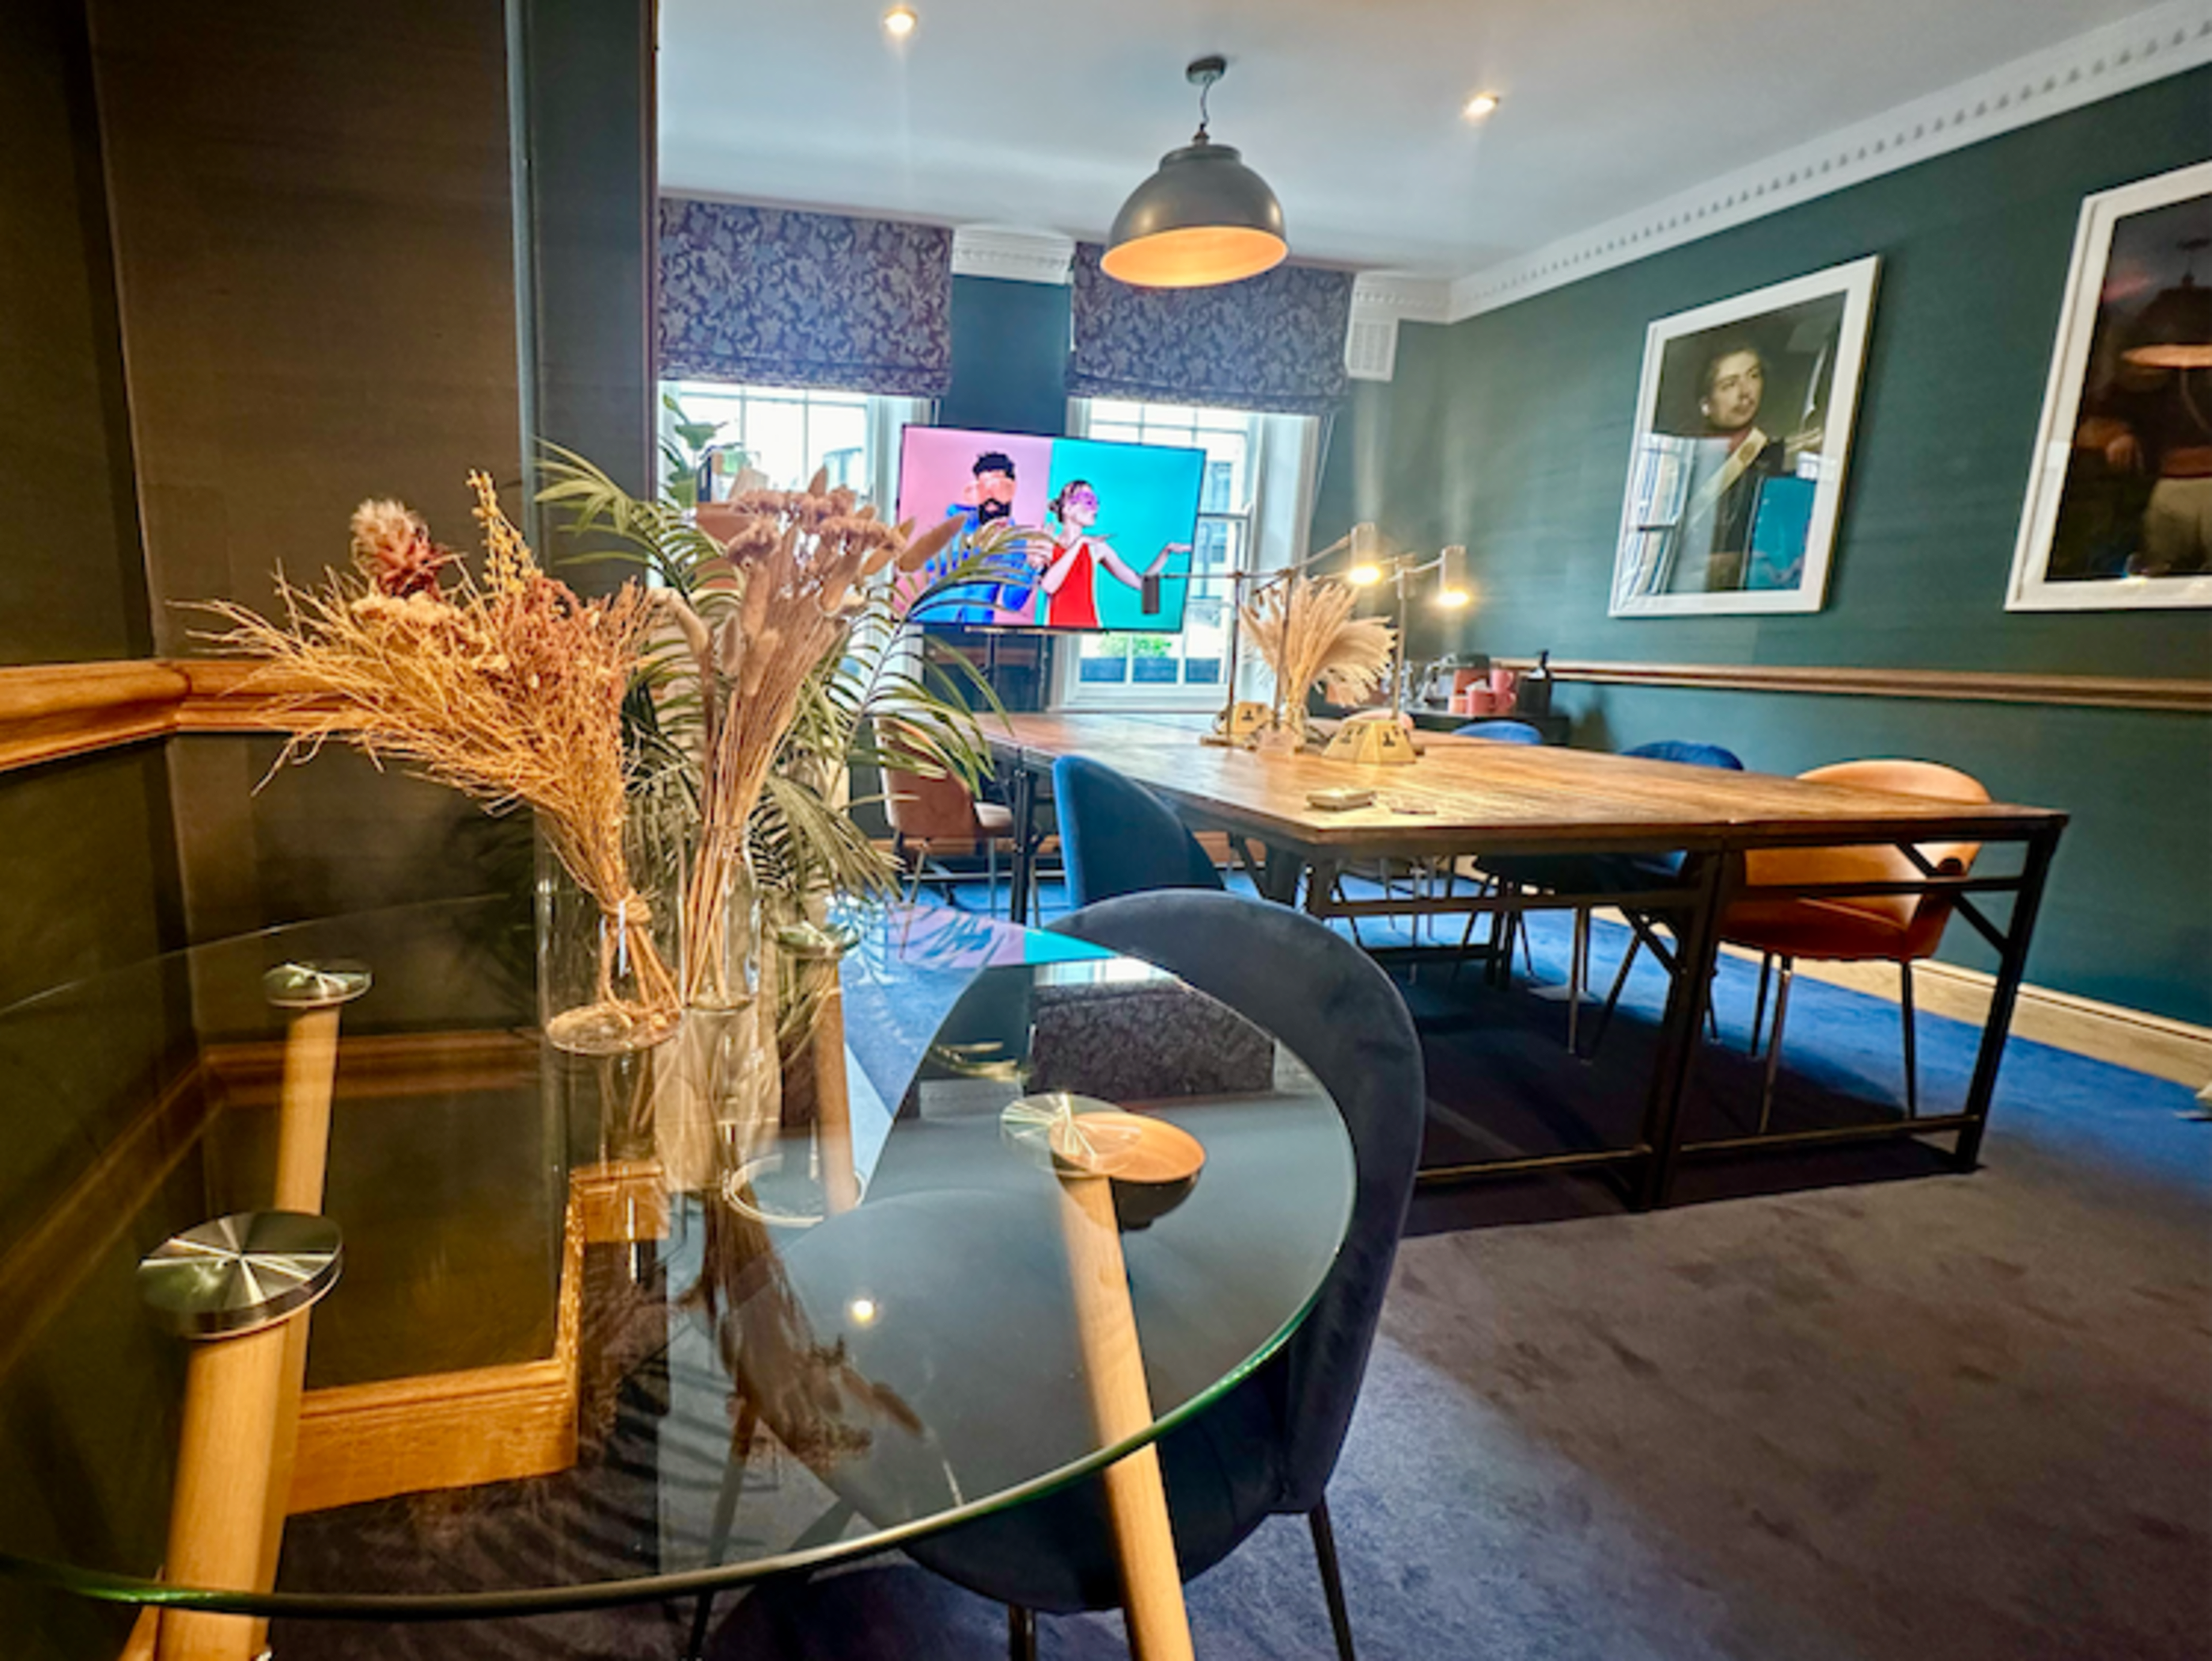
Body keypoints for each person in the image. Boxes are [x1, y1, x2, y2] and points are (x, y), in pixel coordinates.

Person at [1033, 480, 1188, 630]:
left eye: (1095, 501)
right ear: (1067, 508)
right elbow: (1049, 586)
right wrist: (1079, 543)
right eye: (1087, 500)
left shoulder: (1097, 548)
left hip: (1091, 630)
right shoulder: (1048, 544)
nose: (1095, 508)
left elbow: (1142, 585)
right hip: (1055, 634)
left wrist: (1166, 552)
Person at [915, 451, 1038, 625]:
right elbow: (928, 563)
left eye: (997, 488)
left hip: (976, 632)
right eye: (984, 488)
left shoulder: (1017, 541)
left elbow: (1012, 603)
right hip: (929, 620)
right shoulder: (957, 517)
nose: (990, 497)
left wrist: (1031, 567)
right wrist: (970, 542)